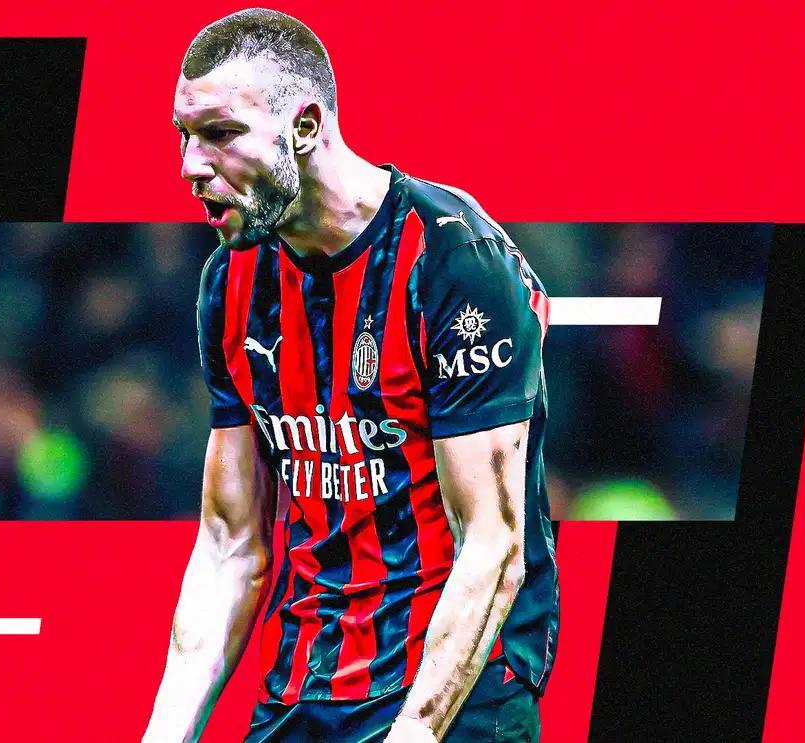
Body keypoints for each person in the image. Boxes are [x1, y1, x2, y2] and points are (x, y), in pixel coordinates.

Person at [144, 9, 557, 742]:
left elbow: (493, 544)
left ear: (304, 128)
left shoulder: (453, 259)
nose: (190, 165)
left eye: (221, 133)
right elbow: (231, 546)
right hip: (306, 686)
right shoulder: (230, 283)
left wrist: (415, 732)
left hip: (456, 693)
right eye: (184, 134)